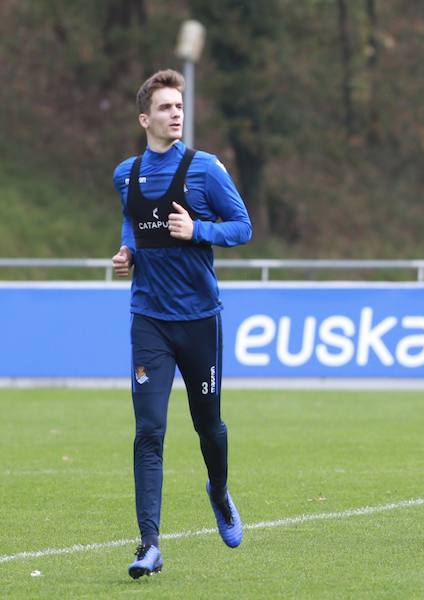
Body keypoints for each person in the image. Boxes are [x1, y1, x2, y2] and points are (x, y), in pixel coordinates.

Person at [111, 69, 252, 578]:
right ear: (145, 118)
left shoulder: (206, 169)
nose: (177, 114)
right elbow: (131, 218)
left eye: (180, 106)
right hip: (148, 318)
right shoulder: (125, 174)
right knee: (149, 431)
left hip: (199, 321)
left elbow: (243, 228)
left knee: (207, 426)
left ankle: (218, 490)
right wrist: (128, 249)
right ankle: (149, 543)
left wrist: (198, 230)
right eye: (166, 107)